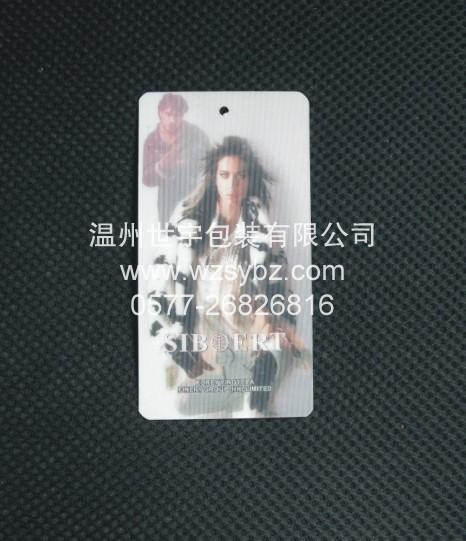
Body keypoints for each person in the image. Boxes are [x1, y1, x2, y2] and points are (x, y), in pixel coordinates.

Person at [147, 136, 311, 417]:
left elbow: (282, 293)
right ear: (214, 178)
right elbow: (157, 291)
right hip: (210, 345)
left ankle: (256, 390)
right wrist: (176, 345)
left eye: (240, 176)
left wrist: (275, 324)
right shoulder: (187, 227)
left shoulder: (263, 233)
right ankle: (246, 393)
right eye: (225, 175)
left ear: (249, 180)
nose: (232, 186)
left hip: (251, 340)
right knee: (183, 405)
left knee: (253, 409)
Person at [142, 93, 209, 225]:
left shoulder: (196, 134)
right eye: (168, 114)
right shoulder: (152, 140)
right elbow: (147, 179)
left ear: (183, 115)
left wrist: (188, 164)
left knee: (196, 232)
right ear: (160, 112)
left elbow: (210, 163)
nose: (172, 119)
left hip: (195, 195)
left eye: (177, 115)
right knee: (168, 234)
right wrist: (161, 166)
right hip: (167, 201)